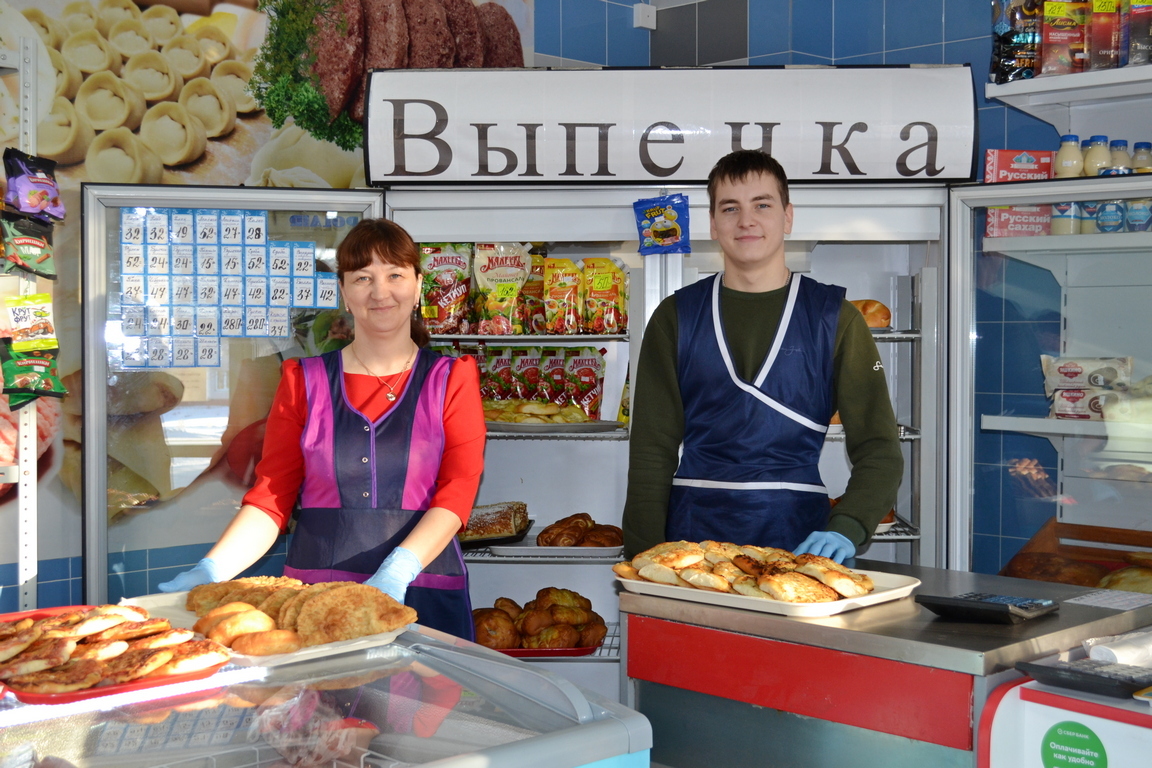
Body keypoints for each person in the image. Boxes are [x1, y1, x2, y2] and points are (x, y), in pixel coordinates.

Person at [159, 218, 486, 639]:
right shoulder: (302, 381)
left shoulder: (451, 378)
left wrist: (398, 568)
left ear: (419, 286)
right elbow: (272, 497)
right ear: (345, 293)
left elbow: (458, 490)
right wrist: (213, 567)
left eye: (395, 275)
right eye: (363, 277)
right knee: (327, 706)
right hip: (316, 597)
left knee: (422, 706)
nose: (380, 291)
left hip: (422, 587)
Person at [622, 150, 902, 564]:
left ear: (788, 217)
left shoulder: (836, 319)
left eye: (762, 205)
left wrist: (849, 525)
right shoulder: (675, 317)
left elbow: (879, 447)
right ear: (714, 224)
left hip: (800, 546)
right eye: (730, 208)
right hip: (690, 552)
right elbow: (651, 451)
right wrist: (644, 556)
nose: (746, 220)